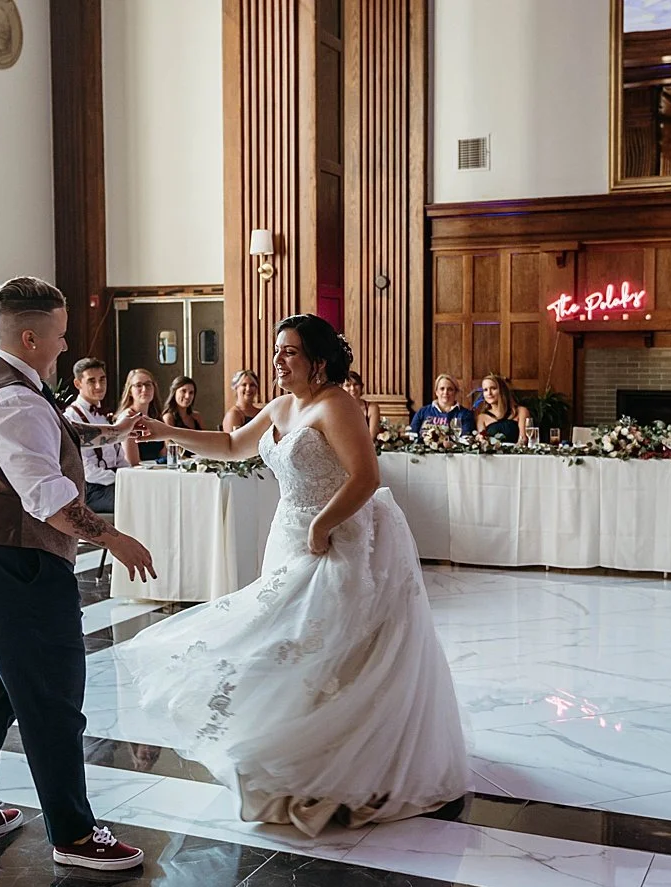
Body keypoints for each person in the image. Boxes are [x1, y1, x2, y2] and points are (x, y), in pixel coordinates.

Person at [122, 314, 468, 836]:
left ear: (318, 360)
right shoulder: (283, 405)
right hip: (286, 538)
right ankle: (289, 754)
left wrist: (325, 523)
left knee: (327, 651)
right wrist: (165, 430)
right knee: (281, 645)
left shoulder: (338, 406)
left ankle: (341, 764)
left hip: (336, 544)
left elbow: (366, 477)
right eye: (278, 350)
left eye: (289, 352)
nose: (278, 360)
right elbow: (235, 446)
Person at [0, 276, 154, 870]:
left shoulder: (9, 385)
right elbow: (48, 498)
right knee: (52, 697)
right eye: (59, 337)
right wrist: (115, 537)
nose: (65, 347)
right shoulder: (13, 400)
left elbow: (51, 432)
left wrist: (108, 431)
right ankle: (75, 835)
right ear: (31, 335)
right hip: (14, 561)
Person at [63, 358, 129, 513]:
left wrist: (130, 475)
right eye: (92, 381)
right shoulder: (72, 417)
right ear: (78, 384)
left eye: (102, 379)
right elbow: (86, 470)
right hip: (91, 490)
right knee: (134, 503)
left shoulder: (104, 414)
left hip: (112, 482)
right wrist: (122, 480)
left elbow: (119, 456)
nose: (99, 386)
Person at [116, 368, 163, 465]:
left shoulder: (156, 417)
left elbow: (164, 454)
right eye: (138, 385)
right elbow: (133, 463)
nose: (144, 389)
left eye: (148, 384)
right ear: (129, 391)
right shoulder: (127, 418)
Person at [410, 374, 475, 436]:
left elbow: (466, 439)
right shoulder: (422, 412)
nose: (445, 392)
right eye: (442, 389)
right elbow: (412, 435)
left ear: (455, 392)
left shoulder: (465, 414)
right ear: (436, 392)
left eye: (450, 389)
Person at [475, 373, 530, 442]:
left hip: (516, 452)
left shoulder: (521, 411)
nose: (489, 393)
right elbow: (482, 442)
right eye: (485, 390)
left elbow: (523, 440)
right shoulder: (481, 417)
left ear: (502, 390)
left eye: (493, 388)